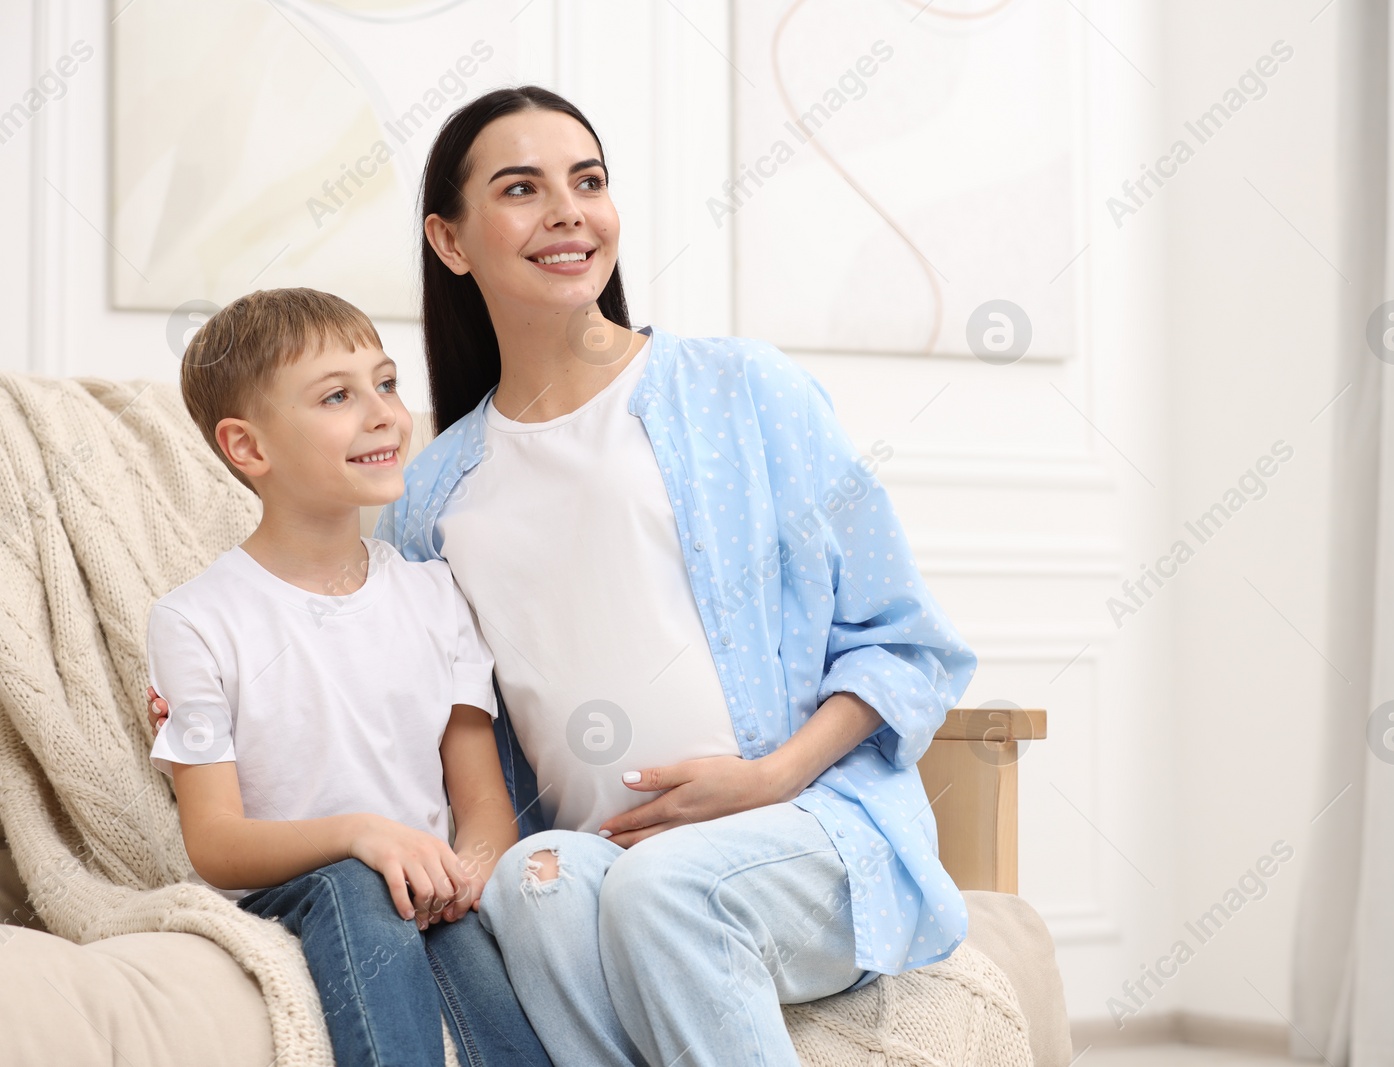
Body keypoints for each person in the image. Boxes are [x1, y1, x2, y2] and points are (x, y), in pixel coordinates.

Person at [154, 85, 977, 1067]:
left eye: (586, 180)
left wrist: (768, 776)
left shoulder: (742, 390)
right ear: (451, 242)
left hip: (805, 830)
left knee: (669, 886)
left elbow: (904, 641)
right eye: (521, 187)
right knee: (531, 881)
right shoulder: (431, 496)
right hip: (597, 861)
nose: (567, 211)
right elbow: (427, 716)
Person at [145, 287, 552, 1067]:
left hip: (428, 896)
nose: (384, 414)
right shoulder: (195, 620)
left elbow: (482, 805)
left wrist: (461, 877)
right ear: (248, 447)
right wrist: (362, 836)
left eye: (388, 383)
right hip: (301, 892)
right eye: (338, 395)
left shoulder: (436, 595)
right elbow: (217, 841)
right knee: (357, 885)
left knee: (477, 960)